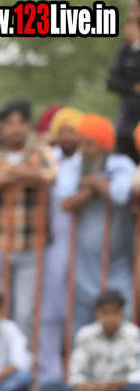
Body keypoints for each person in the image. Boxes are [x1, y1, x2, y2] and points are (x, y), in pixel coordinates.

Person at [0, 100, 58, 343]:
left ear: (29, 126)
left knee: (24, 313)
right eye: (10, 123)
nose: (15, 128)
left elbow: (51, 175)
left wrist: (11, 173)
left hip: (30, 246)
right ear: (1, 127)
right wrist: (28, 176)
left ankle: (21, 362)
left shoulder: (42, 152)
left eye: (21, 122)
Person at [59, 114, 136, 331]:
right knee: (81, 327)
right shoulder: (73, 165)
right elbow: (66, 203)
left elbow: (120, 195)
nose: (84, 150)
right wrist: (97, 186)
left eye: (90, 144)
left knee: (124, 323)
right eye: (81, 143)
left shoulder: (121, 164)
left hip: (118, 263)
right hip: (82, 265)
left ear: (104, 146)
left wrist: (90, 182)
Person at [39, 107, 86, 383]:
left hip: (83, 244)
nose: (67, 137)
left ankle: (77, 371)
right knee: (50, 309)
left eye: (73, 131)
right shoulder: (49, 158)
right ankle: (50, 372)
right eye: (62, 131)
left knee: (79, 305)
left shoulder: (87, 161)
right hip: (54, 243)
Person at [40, 289, 140, 391]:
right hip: (91, 390)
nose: (110, 318)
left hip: (120, 389)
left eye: (115, 313)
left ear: (123, 314)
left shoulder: (133, 335)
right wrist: (82, 384)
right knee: (47, 387)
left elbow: (137, 375)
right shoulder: (86, 335)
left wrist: (111, 385)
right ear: (97, 314)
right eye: (105, 313)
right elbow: (76, 372)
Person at [106, 16, 140, 163]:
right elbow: (111, 82)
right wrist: (132, 87)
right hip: (126, 126)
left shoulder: (134, 46)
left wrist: (137, 46)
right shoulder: (126, 48)